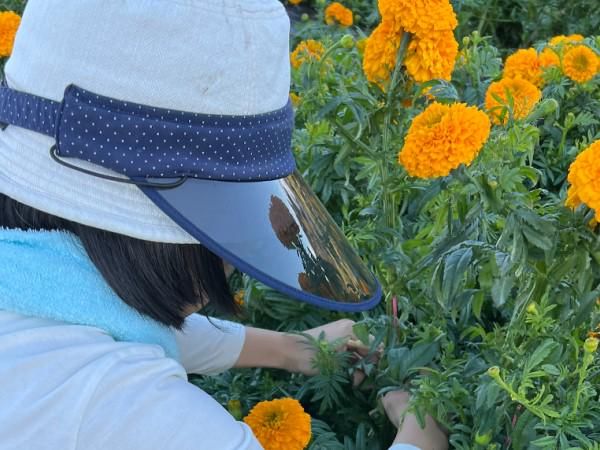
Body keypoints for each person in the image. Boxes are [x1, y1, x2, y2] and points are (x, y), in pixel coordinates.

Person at [0, 0, 447, 449]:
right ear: (162, 245)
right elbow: (111, 373)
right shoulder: (120, 408)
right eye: (230, 236)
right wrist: (421, 429)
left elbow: (106, 316)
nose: (234, 264)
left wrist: (290, 348)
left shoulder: (31, 293)